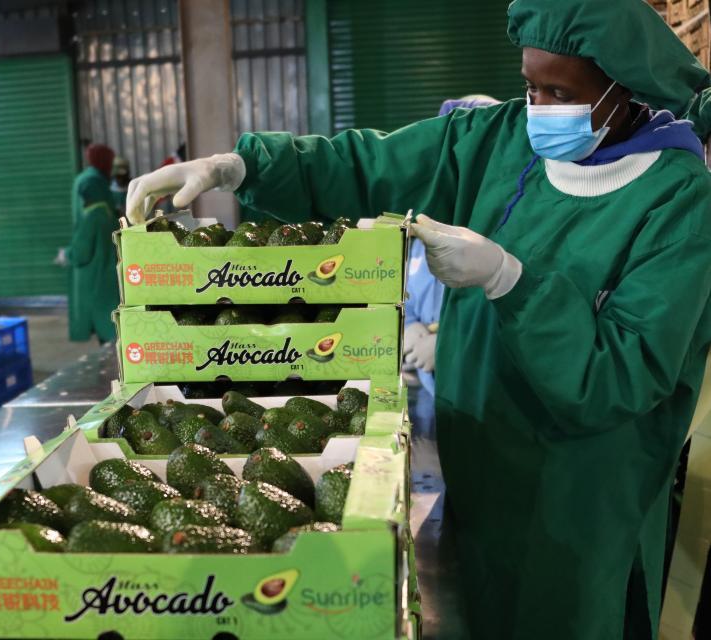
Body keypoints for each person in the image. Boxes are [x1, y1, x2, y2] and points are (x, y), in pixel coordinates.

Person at [124, 1, 711, 637]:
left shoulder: (677, 198)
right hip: (481, 458)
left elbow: (621, 375)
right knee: (482, 607)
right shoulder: (499, 139)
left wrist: (507, 280)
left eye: (562, 93)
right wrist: (241, 167)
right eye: (530, 87)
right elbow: (369, 165)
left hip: (583, 494)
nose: (540, 109)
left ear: (623, 88)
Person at [404, 96, 499, 429]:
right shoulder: (429, 224)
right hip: (435, 398)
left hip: (491, 406)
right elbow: (410, 294)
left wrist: (449, 347)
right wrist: (409, 326)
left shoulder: (505, 229)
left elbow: (515, 322)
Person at [63, 143, 119, 344]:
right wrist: (71, 253)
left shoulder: (89, 180)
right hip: (98, 259)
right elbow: (96, 218)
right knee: (107, 320)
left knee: (106, 322)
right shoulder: (93, 184)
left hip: (95, 254)